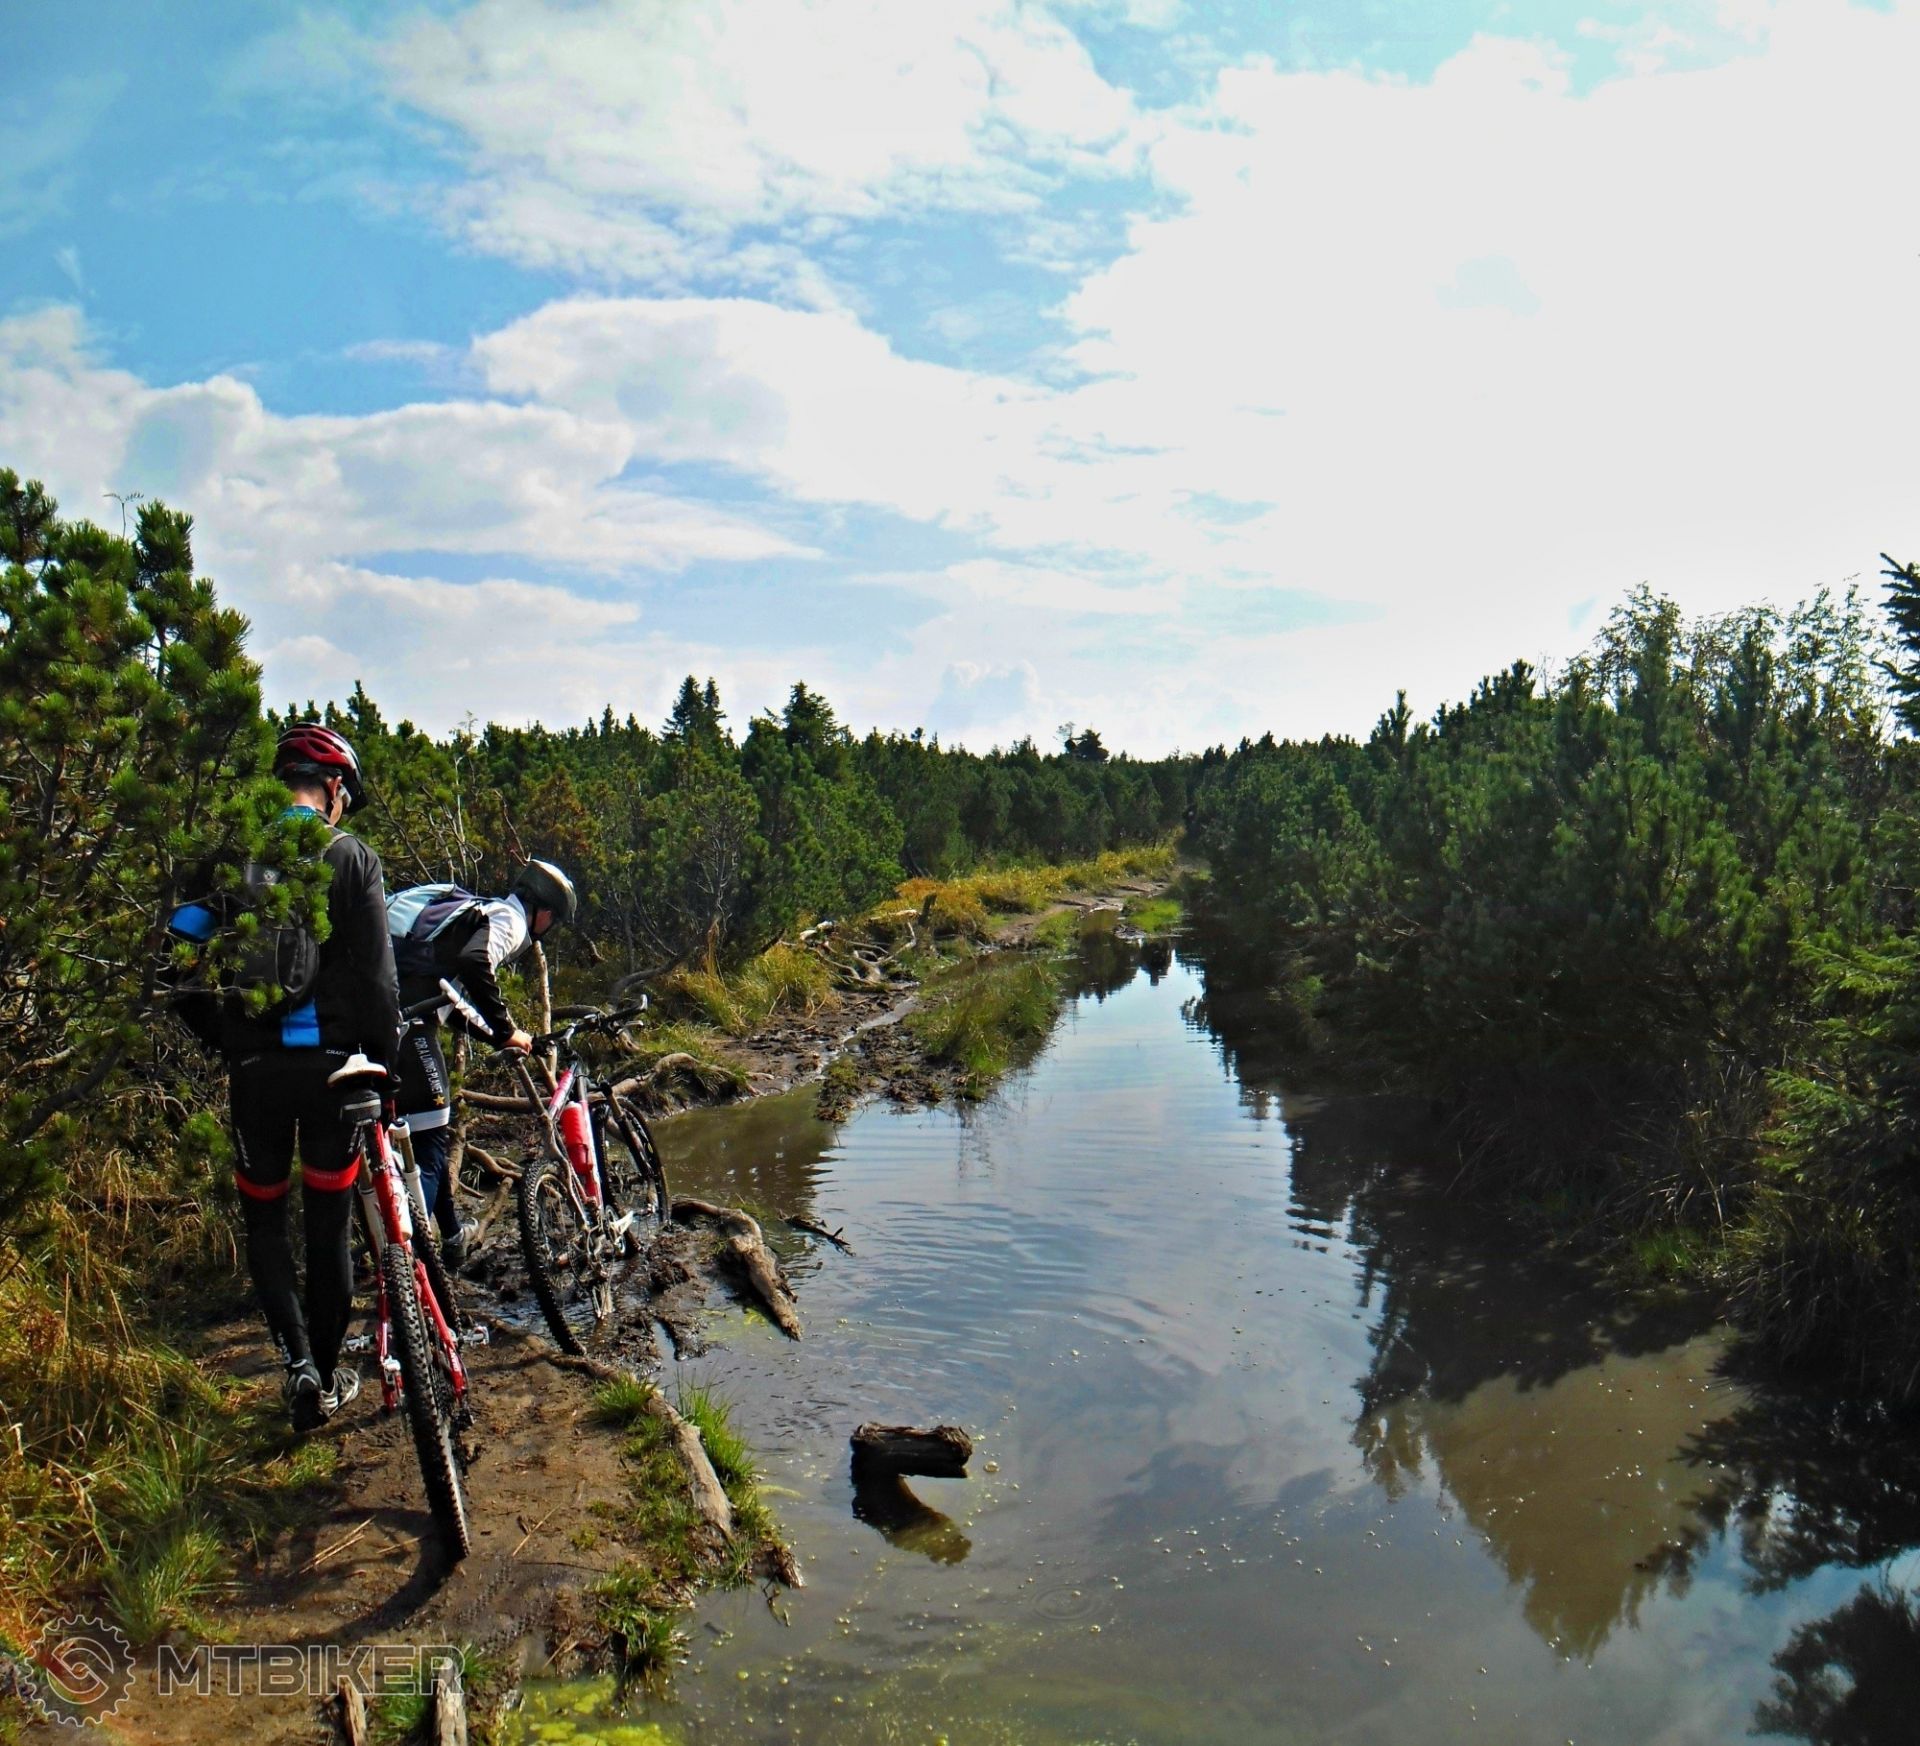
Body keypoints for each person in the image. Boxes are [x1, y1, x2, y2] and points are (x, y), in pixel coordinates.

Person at [171, 724, 401, 1432]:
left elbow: (174, 955)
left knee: (266, 1223)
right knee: (328, 1229)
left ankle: (297, 1364)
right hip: (335, 1073)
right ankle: (327, 1379)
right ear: (333, 790)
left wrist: (225, 1039)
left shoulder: (231, 857)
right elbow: (380, 982)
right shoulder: (351, 856)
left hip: (256, 1074)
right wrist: (386, 1069)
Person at [389, 859, 578, 1262]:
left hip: (378, 1023)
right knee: (429, 1148)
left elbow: (453, 1004)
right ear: (544, 911)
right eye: (554, 920)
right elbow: (475, 962)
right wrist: (506, 1029)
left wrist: (500, 1036)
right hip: (409, 1029)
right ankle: (407, 1264)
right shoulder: (510, 919)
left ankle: (451, 1237)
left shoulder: (474, 914)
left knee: (427, 1140)